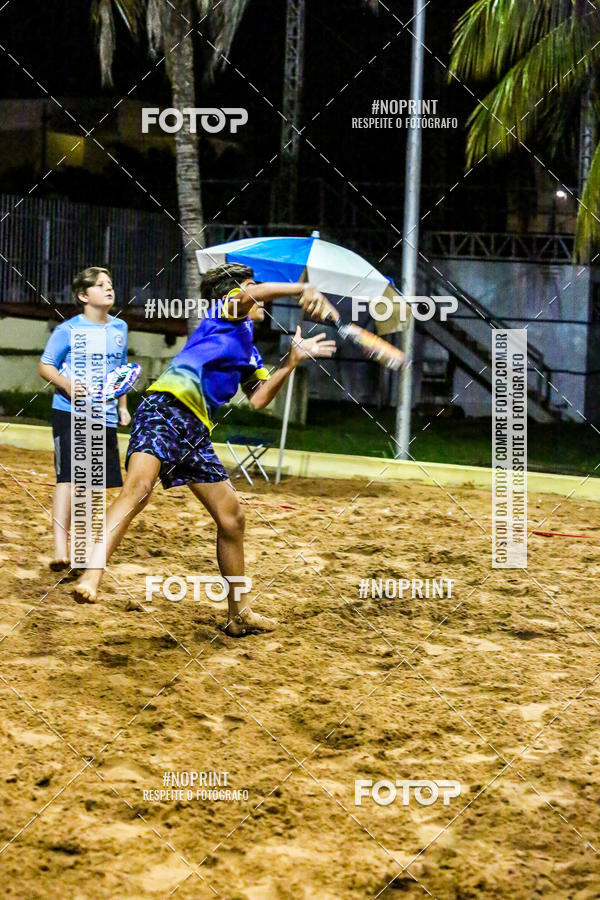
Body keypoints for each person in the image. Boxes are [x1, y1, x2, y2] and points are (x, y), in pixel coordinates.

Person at [72, 263, 337, 636]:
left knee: (233, 518)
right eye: (251, 285)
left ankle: (238, 615)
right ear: (232, 293)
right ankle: (92, 576)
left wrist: (290, 362)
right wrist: (299, 288)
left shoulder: (248, 347)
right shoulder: (224, 313)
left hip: (196, 429)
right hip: (165, 408)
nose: (257, 293)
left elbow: (259, 398)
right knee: (139, 490)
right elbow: (248, 296)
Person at [39, 267, 131, 572]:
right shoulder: (67, 330)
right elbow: (46, 366)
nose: (109, 288)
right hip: (69, 411)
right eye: (100, 285)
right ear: (83, 295)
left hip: (103, 416)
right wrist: (66, 385)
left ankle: (82, 551)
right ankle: (59, 549)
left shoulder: (120, 328)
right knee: (68, 477)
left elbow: (121, 374)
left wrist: (122, 408)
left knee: (94, 486)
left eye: (110, 284)